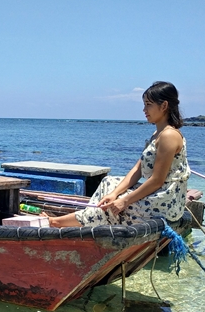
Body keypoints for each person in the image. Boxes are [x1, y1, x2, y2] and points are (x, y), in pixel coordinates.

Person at [45, 81, 190, 227]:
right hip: (158, 194)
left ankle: (57, 222)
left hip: (166, 201)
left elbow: (157, 180)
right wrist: (114, 194)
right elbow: (137, 169)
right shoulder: (157, 134)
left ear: (164, 106)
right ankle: (90, 218)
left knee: (113, 208)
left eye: (148, 104)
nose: (144, 109)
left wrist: (123, 201)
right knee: (108, 183)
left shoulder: (169, 136)